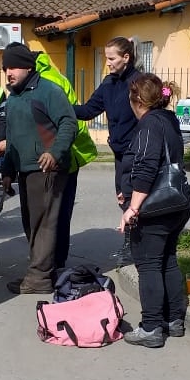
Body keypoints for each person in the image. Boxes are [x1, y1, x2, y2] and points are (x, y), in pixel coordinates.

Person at [117, 74, 190, 348]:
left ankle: (151, 327)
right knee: (168, 260)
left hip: (156, 207)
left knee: (148, 264)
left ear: (136, 100)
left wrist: (132, 208)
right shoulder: (168, 119)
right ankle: (174, 321)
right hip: (177, 201)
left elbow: (148, 167)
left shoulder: (149, 124)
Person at [0, 42, 77, 294]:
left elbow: (68, 123)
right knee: (31, 224)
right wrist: (8, 170)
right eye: (5, 68)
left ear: (28, 67)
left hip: (47, 169)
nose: (8, 72)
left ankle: (39, 279)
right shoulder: (14, 97)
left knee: (44, 224)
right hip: (25, 169)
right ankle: (39, 272)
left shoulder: (48, 90)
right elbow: (12, 137)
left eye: (13, 67)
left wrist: (54, 153)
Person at [73, 36, 141, 262]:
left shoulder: (139, 82)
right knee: (123, 198)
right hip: (120, 152)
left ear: (126, 57)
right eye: (106, 58)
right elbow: (88, 110)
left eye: (112, 58)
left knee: (135, 198)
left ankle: (135, 248)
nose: (108, 63)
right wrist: (60, 106)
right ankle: (131, 244)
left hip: (139, 151)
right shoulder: (108, 83)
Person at [33, 50, 97, 269]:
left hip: (61, 154)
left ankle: (53, 264)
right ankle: (57, 262)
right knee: (61, 211)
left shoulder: (45, 82)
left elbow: (56, 122)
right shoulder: (53, 75)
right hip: (70, 151)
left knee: (54, 214)